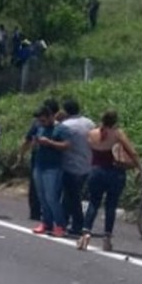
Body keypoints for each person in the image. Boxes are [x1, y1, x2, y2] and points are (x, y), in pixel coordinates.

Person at [77, 111, 142, 251]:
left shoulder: (92, 134)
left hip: (96, 171)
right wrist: (140, 168)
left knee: (94, 202)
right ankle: (107, 238)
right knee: (111, 206)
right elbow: (132, 152)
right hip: (114, 172)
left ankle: (85, 233)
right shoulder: (117, 134)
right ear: (115, 121)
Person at [29, 105, 70, 237]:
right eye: (40, 121)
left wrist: (50, 143)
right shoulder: (40, 128)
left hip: (53, 168)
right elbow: (32, 143)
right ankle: (46, 223)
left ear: (51, 117)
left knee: (52, 197)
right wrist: (35, 143)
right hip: (39, 165)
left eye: (44, 120)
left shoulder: (61, 129)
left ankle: (60, 225)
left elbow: (66, 145)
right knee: (41, 196)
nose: (42, 123)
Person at [19, 98, 60, 221]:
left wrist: (21, 155)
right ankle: (51, 214)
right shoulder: (60, 125)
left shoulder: (37, 123)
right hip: (55, 160)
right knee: (52, 189)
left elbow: (27, 140)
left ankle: (35, 212)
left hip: (38, 157)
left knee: (36, 186)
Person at [59, 99, 95, 236]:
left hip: (70, 165)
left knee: (72, 196)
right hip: (87, 164)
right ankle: (64, 220)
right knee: (71, 195)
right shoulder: (89, 123)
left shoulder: (65, 125)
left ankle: (78, 224)